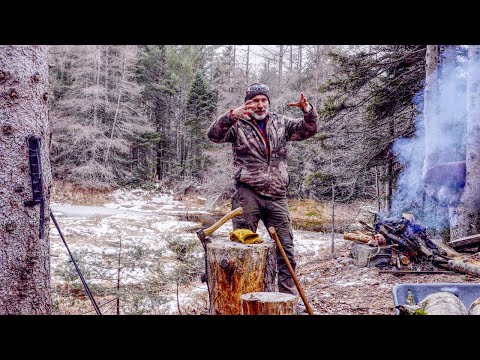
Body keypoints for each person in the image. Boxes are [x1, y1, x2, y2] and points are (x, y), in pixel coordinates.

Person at [207, 82, 319, 302]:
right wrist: (231, 115)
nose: (260, 105)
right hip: (247, 194)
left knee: (286, 251)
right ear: (248, 102)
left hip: (277, 195)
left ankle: (286, 301)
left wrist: (308, 111)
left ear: (268, 102)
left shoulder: (280, 122)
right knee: (242, 249)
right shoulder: (238, 124)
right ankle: (242, 300)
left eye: (263, 101)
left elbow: (309, 130)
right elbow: (213, 135)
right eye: (255, 101)